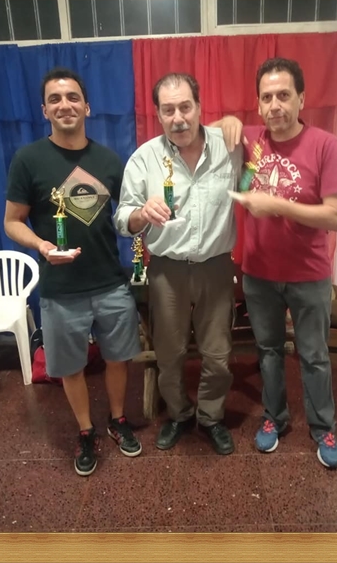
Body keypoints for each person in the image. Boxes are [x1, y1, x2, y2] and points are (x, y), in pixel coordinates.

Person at [4, 67, 142, 476]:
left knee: (119, 358)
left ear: (87, 106)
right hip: (60, 288)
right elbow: (12, 222)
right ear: (44, 110)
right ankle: (85, 430)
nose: (64, 105)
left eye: (72, 97)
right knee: (70, 367)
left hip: (111, 283)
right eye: (55, 99)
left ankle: (118, 419)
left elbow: (128, 215)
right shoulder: (28, 160)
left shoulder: (108, 160)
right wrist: (42, 246)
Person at [216, 57, 337, 469]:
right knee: (268, 352)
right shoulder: (252, 140)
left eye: (283, 95)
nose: (275, 105)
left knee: (314, 355)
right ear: (258, 104)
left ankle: (323, 426)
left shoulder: (325, 145)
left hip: (308, 276)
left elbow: (336, 216)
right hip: (258, 274)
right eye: (266, 98)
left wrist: (276, 205)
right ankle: (274, 417)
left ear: (301, 99)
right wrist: (227, 120)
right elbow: (214, 133)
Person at [114, 72, 243, 455]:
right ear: (157, 113)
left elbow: (255, 174)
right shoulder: (144, 159)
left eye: (185, 107)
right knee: (169, 355)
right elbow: (121, 218)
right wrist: (141, 214)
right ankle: (180, 414)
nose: (178, 118)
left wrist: (234, 124)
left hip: (216, 267)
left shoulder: (229, 146)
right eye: (168, 110)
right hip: (167, 271)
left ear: (199, 107)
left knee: (218, 356)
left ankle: (211, 417)